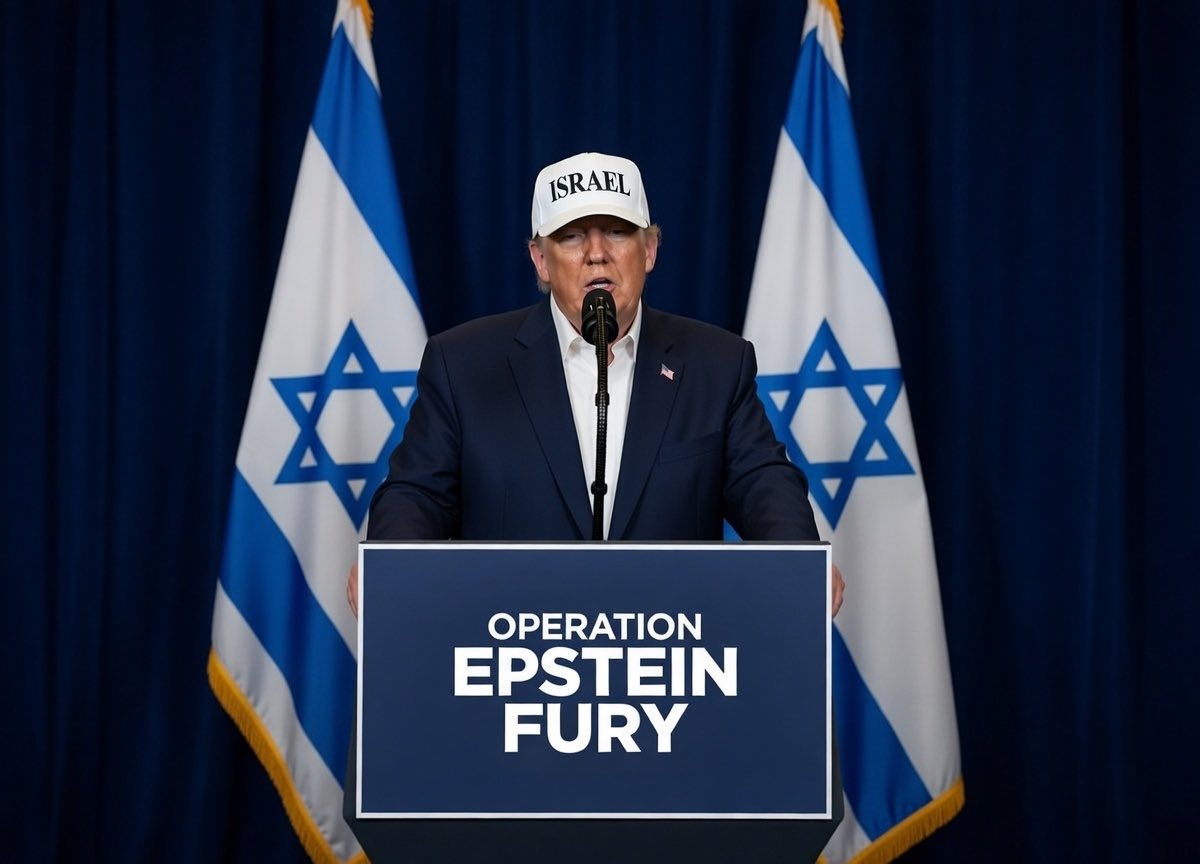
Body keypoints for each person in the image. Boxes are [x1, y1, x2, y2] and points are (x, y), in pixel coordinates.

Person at [349, 151, 843, 615]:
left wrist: (800, 560)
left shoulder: (716, 364)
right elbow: (417, 494)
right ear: (540, 260)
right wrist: (390, 564)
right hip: (512, 644)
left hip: (671, 645)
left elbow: (763, 484)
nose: (596, 254)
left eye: (617, 232)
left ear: (650, 250)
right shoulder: (465, 364)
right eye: (570, 237)